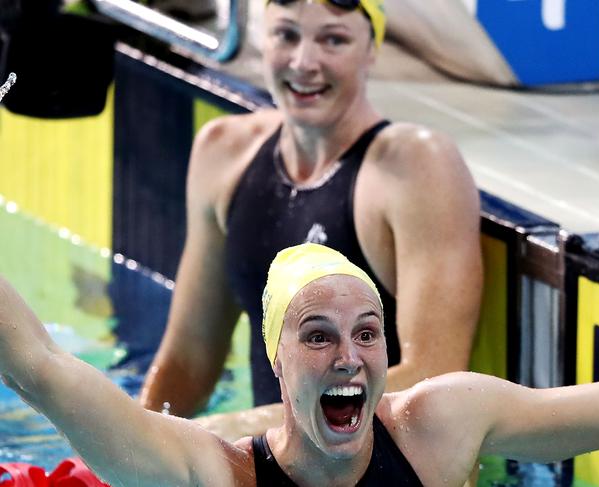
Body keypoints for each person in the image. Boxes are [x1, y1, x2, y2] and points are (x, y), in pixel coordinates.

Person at [1, 243, 599, 487]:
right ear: (275, 361)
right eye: (317, 336)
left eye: (367, 333)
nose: (349, 357)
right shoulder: (216, 474)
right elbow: (42, 367)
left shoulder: (438, 427)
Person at [139, 0, 484, 438]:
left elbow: (431, 384)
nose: (304, 63)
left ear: (371, 48)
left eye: (333, 40)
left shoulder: (414, 169)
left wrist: (235, 430)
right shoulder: (224, 152)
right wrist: (127, 454)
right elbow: (188, 360)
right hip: (270, 464)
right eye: (286, 35)